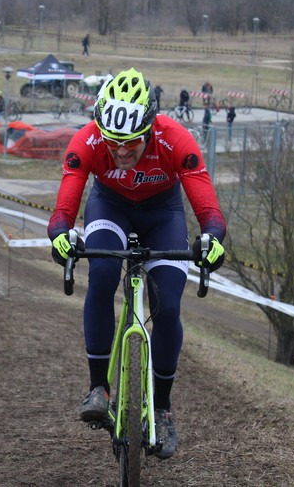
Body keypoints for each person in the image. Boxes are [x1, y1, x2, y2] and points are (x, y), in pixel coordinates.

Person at [48, 68, 226, 460]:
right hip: (110, 207)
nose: (121, 151)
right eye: (112, 141)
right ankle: (99, 388)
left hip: (163, 215)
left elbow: (208, 209)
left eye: (130, 142)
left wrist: (212, 238)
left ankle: (162, 408)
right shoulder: (87, 141)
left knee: (168, 307)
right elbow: (64, 207)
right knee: (102, 274)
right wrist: (61, 233)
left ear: (149, 127)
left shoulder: (176, 139)